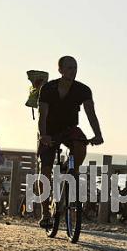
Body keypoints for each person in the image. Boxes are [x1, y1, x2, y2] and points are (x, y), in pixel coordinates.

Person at [37, 55, 104, 228]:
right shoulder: (48, 88)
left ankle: (72, 171)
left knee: (81, 142)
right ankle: (45, 213)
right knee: (44, 172)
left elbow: (91, 114)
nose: (72, 71)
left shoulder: (83, 90)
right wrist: (43, 135)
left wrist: (97, 134)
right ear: (60, 70)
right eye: (68, 68)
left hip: (69, 129)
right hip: (50, 130)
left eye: (75, 68)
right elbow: (42, 115)